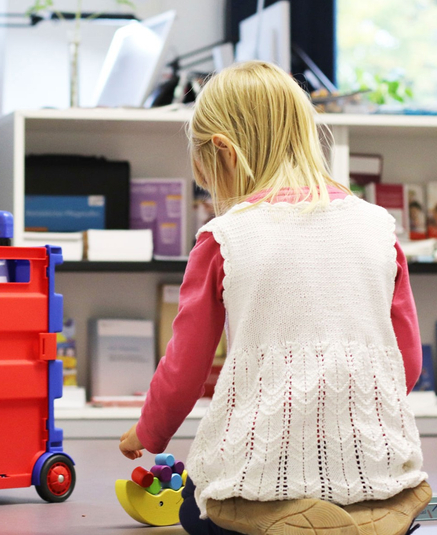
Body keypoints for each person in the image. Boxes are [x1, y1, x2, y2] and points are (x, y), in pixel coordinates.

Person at [118, 61, 431, 535]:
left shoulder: (223, 237)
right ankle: (378, 514)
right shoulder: (380, 228)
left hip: (263, 467)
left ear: (223, 150)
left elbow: (185, 366)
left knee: (197, 508)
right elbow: (406, 362)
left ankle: (284, 518)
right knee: (394, 492)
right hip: (377, 465)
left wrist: (149, 430)